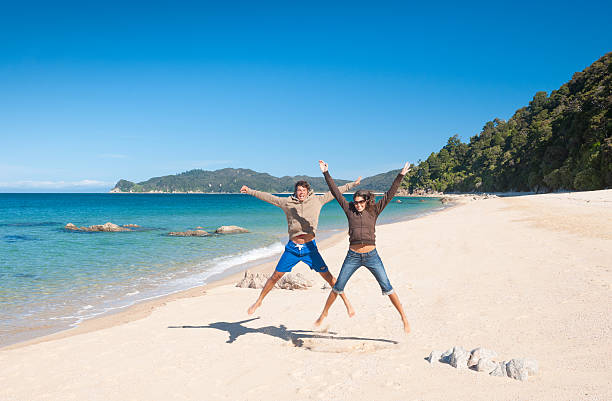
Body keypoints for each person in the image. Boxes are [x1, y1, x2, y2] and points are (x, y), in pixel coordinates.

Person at [240, 176, 360, 316]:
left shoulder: (317, 201)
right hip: (292, 248)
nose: (301, 192)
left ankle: (346, 302)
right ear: (296, 192)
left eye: (303, 190)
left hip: (310, 248)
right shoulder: (287, 203)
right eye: (298, 190)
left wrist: (352, 184)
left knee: (328, 277)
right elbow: (269, 197)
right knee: (275, 276)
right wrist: (249, 191)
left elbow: (335, 191)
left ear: (308, 191)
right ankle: (259, 301)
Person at [314, 160, 411, 333]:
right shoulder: (349, 209)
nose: (357, 204)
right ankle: (324, 314)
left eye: (360, 202)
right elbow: (336, 193)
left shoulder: (374, 210)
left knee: (387, 287)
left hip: (372, 256)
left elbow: (390, 194)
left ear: (366, 201)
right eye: (356, 202)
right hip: (352, 256)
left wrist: (400, 175)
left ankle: (403, 317)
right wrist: (326, 173)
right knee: (337, 287)